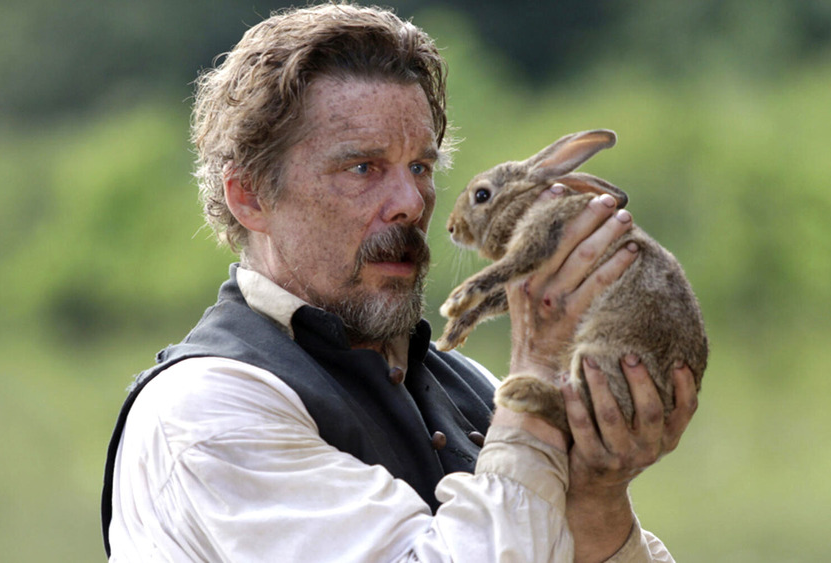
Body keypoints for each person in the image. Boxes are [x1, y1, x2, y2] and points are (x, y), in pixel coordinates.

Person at [101, 3, 698, 561]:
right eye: (363, 167)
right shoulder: (207, 410)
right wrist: (538, 383)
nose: (411, 202)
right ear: (250, 195)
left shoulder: (473, 386)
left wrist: (596, 496)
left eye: (420, 167)